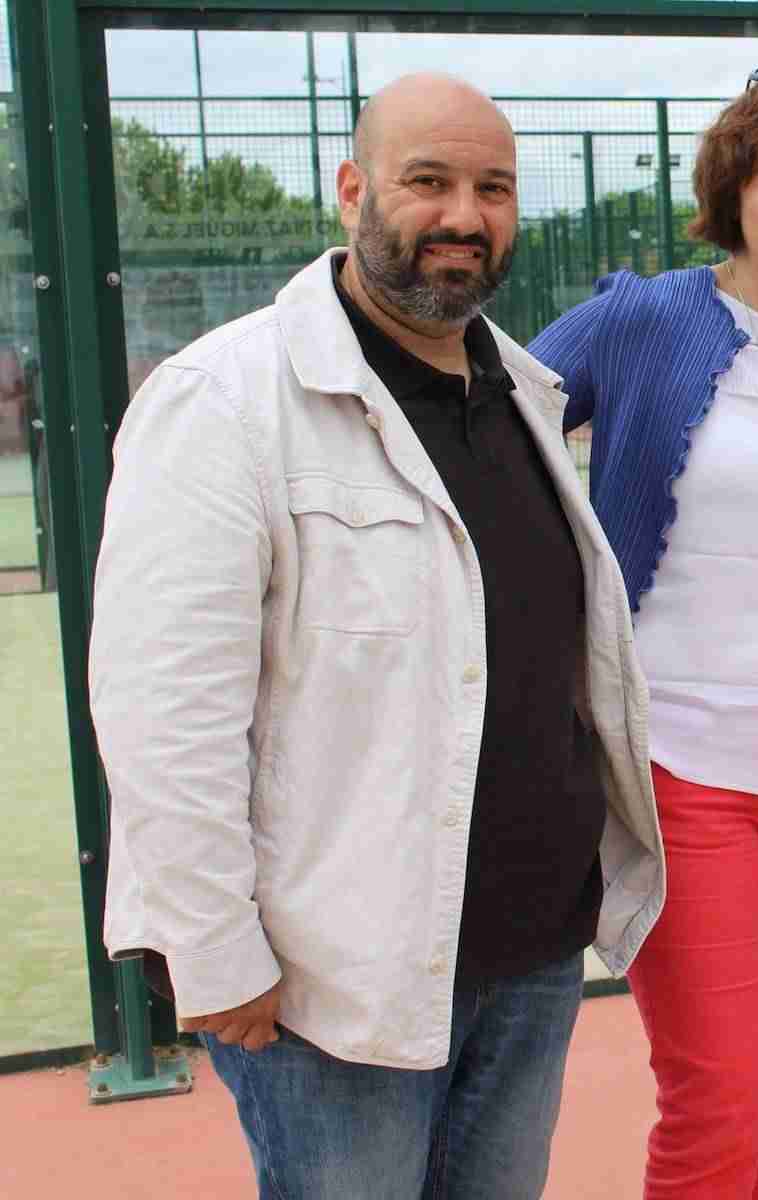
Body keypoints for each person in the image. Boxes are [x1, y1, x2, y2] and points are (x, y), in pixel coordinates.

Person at [91, 73, 664, 1198]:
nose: (464, 214)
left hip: (531, 948)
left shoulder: (523, 391)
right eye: (428, 181)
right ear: (353, 190)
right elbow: (164, 709)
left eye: (492, 188)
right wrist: (214, 948)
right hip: (334, 975)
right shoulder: (226, 399)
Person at [527, 66, 758, 1200]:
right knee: (717, 1092)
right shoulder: (644, 317)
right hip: (683, 767)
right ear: (734, 182)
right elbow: (495, 422)